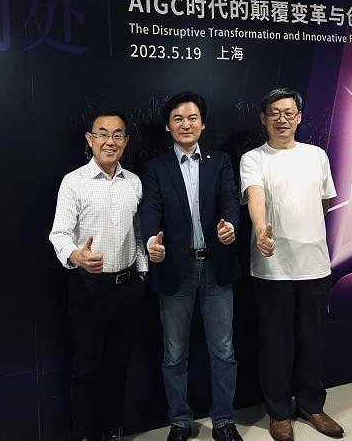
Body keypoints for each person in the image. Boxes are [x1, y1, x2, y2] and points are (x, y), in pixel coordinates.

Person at [240, 88, 344, 441]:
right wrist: (260, 228)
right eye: (274, 113)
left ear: (299, 117)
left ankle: (312, 405)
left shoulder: (317, 156)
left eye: (288, 113)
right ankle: (279, 412)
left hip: (315, 266)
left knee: (312, 341)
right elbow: (255, 195)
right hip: (272, 268)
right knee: (275, 345)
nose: (281, 119)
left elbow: (324, 203)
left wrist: (306, 232)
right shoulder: (254, 158)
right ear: (263, 118)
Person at [140, 92, 243, 441]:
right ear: (168, 127)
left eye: (192, 117)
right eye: (178, 119)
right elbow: (151, 208)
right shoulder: (155, 168)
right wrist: (151, 241)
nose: (186, 124)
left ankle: (224, 421)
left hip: (217, 268)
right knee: (174, 354)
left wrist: (231, 226)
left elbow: (230, 199)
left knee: (224, 351)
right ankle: (180, 421)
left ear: (203, 123)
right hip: (175, 270)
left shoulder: (221, 161)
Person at [49, 109, 147, 441]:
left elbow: (138, 231)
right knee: (86, 370)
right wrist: (77, 256)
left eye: (117, 135)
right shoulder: (73, 181)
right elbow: (60, 234)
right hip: (88, 287)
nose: (110, 141)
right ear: (90, 140)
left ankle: (113, 430)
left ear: (126, 141)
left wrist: (142, 272)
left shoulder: (134, 182)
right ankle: (84, 435)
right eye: (102, 134)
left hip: (128, 287)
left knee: (119, 368)